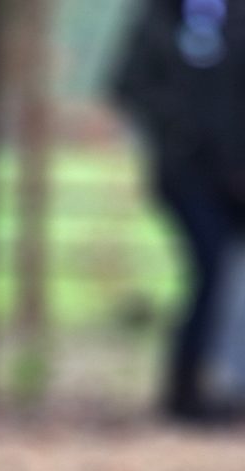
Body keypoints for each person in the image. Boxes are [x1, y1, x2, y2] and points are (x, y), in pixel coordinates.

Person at [113, 0, 245, 421]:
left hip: (237, 173)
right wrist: (178, 138)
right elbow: (129, 86)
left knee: (228, 275)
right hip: (185, 174)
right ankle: (187, 388)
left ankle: (225, 383)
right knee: (210, 269)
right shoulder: (160, 17)